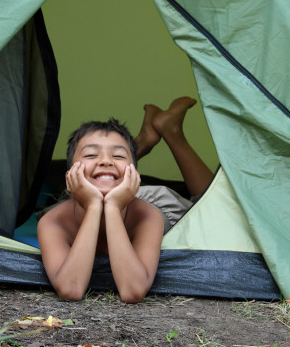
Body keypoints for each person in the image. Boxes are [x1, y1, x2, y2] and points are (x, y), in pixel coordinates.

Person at [37, 97, 214, 303]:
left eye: (119, 156)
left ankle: (172, 133)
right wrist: (94, 205)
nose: (104, 160)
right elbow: (71, 289)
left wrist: (111, 206)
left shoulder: (149, 215)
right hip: (78, 198)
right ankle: (144, 140)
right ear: (70, 176)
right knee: (90, 184)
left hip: (141, 200)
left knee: (209, 205)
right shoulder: (53, 221)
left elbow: (132, 290)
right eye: (91, 154)